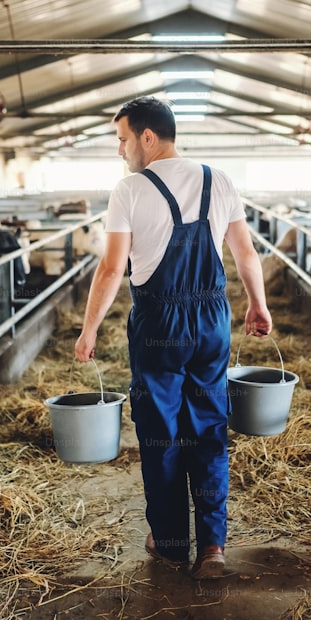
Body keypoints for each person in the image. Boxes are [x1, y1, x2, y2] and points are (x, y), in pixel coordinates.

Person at [74, 96, 273, 579]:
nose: (121, 150)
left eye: (123, 139)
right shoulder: (217, 179)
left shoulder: (130, 190)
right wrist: (258, 304)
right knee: (208, 430)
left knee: (161, 434)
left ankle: (169, 543)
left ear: (147, 137)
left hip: (159, 323)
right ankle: (213, 548)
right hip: (210, 321)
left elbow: (111, 267)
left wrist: (89, 329)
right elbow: (246, 255)